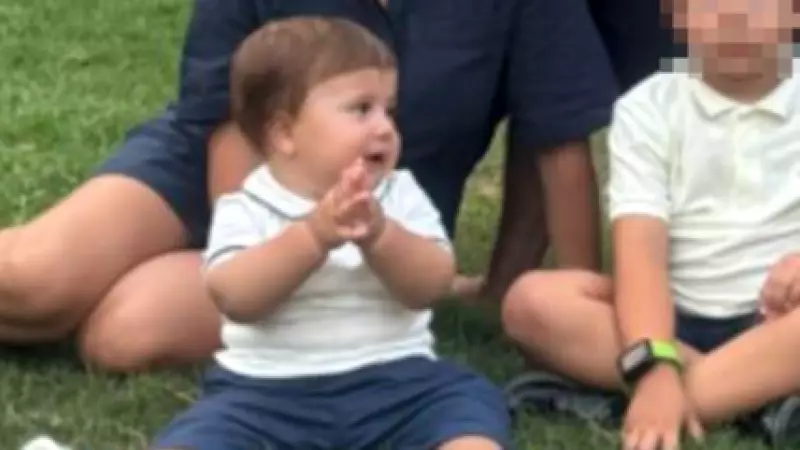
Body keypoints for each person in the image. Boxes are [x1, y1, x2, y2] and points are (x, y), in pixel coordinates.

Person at [0, 0, 617, 372]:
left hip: (360, 217)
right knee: (28, 279)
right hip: (210, 175)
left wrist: (553, 303)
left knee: (124, 333)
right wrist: (246, 248)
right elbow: (225, 122)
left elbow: (555, 138)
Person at [151, 17, 511, 450]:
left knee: (466, 408)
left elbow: (430, 285)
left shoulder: (398, 193)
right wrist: (313, 236)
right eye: (361, 109)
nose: (384, 127)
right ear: (285, 134)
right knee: (199, 438)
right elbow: (236, 298)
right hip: (265, 395)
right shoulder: (247, 206)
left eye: (389, 110)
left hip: (401, 384)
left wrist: (382, 236)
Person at [502, 0, 800, 448]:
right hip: (671, 318)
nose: (735, 17)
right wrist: (654, 363)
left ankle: (659, 401)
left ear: (794, 12)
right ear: (677, 15)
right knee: (532, 302)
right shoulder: (648, 107)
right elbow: (640, 254)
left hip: (780, 319)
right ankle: (754, 394)